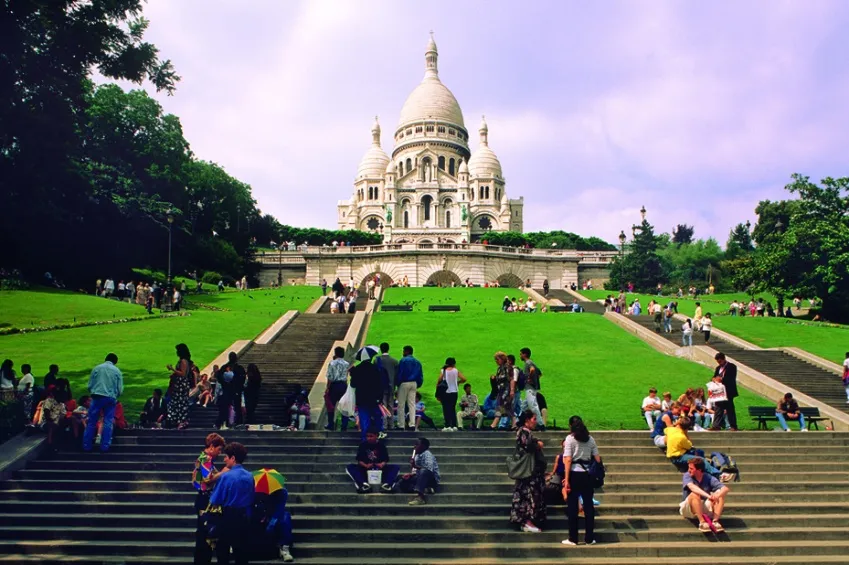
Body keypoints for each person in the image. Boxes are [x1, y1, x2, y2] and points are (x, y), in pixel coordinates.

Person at [209, 442, 254, 565]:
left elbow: (215, 499)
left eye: (226, 457)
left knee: (223, 550)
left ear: (233, 458)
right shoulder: (250, 476)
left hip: (228, 516)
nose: (224, 459)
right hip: (244, 516)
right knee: (242, 551)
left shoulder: (226, 476)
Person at [561, 419, 601, 546]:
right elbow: (597, 458)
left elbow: (567, 460)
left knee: (573, 507)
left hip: (574, 474)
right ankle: (589, 538)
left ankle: (573, 538)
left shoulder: (570, 439)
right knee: (589, 506)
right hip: (587, 475)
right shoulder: (590, 439)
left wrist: (566, 480)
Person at [509, 410, 546, 533]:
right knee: (527, 496)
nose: (535, 422)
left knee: (531, 495)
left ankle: (529, 521)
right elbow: (528, 446)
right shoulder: (523, 431)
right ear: (527, 420)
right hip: (528, 472)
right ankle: (526, 521)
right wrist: (538, 444)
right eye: (534, 419)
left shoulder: (525, 432)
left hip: (531, 472)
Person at [193, 433, 226, 565]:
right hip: (204, 499)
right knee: (205, 533)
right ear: (212, 446)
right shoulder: (205, 458)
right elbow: (207, 479)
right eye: (219, 449)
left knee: (204, 532)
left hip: (202, 498)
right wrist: (223, 472)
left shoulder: (203, 459)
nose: (220, 453)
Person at [82, 353, 123, 453]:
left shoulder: (97, 368)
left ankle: (87, 445)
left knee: (91, 421)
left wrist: (93, 391)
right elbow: (120, 389)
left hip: (97, 396)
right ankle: (105, 446)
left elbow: (90, 385)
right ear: (115, 362)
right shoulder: (117, 371)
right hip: (110, 397)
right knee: (108, 422)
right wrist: (115, 395)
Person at [680, 457, 730, 533]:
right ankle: (702, 522)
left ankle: (715, 521)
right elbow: (692, 487)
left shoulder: (708, 477)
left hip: (703, 506)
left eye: (691, 468)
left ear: (699, 470)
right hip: (688, 508)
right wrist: (709, 496)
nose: (688, 470)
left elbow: (725, 488)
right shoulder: (687, 475)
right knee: (695, 494)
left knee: (719, 494)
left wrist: (717, 496)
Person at [345, 428, 400, 493]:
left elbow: (385, 459)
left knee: (395, 467)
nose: (369, 438)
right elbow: (359, 460)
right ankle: (363, 485)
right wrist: (365, 465)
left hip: (379, 470)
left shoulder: (381, 446)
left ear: (376, 436)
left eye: (371, 436)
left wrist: (381, 464)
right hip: (365, 469)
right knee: (350, 467)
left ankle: (387, 485)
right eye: (367, 436)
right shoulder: (363, 445)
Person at [350, 353, 384, 441]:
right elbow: (380, 384)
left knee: (364, 420)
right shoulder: (375, 368)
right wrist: (380, 398)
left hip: (361, 398)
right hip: (374, 398)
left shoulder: (357, 369)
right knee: (377, 417)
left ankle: (365, 439)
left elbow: (353, 384)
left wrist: (352, 374)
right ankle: (378, 436)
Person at [166, 344, 194, 430]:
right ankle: (177, 420)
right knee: (177, 402)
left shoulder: (183, 361)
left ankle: (181, 421)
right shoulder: (183, 361)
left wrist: (172, 369)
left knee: (180, 402)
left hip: (181, 384)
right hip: (179, 384)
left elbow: (183, 373)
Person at [406, 437, 440, 505]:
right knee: (404, 480)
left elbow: (428, 469)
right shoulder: (417, 455)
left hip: (431, 479)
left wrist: (415, 466)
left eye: (417, 444)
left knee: (423, 471)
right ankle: (426, 489)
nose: (414, 446)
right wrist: (411, 474)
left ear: (423, 446)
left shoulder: (427, 454)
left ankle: (420, 498)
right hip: (421, 477)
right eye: (415, 444)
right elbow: (417, 471)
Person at [396, 345, 423, 431]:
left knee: (401, 404)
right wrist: (418, 384)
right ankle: (412, 424)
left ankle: (401, 424)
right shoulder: (417, 362)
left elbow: (400, 373)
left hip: (404, 382)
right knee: (412, 404)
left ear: (407, 351)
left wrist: (397, 383)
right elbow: (420, 375)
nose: (403, 352)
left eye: (404, 351)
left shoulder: (403, 361)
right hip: (414, 383)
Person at [324, 347, 350, 431]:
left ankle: (331, 424)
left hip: (334, 386)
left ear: (336, 353)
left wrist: (327, 388)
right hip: (343, 385)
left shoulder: (332, 363)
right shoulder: (346, 363)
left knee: (331, 405)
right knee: (344, 406)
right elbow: (346, 376)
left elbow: (330, 377)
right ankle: (344, 425)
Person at [437, 357, 466, 431]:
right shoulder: (456, 371)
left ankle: (447, 425)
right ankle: (453, 425)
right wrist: (458, 382)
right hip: (454, 392)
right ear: (454, 363)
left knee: (445, 409)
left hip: (445, 392)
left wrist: (438, 393)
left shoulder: (443, 371)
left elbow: (439, 381)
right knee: (452, 408)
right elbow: (464, 379)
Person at [375, 343, 399, 430]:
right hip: (391, 386)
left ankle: (384, 424)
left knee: (383, 405)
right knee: (390, 405)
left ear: (381, 349)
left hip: (381, 386)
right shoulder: (394, 361)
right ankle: (391, 424)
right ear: (388, 349)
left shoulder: (377, 360)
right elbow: (396, 375)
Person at [520, 348, 544, 430]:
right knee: (523, 406)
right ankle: (519, 422)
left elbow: (532, 370)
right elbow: (540, 374)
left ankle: (541, 424)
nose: (520, 356)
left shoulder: (528, 362)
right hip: (532, 388)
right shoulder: (532, 362)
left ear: (525, 354)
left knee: (533, 406)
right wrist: (535, 380)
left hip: (529, 388)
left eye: (521, 354)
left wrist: (530, 379)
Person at [713, 352, 738, 431]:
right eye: (718, 362)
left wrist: (721, 380)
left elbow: (731, 378)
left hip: (728, 391)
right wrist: (714, 379)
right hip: (719, 392)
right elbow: (714, 377)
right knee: (718, 408)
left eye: (720, 361)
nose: (719, 363)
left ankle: (733, 426)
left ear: (723, 359)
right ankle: (716, 425)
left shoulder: (731, 366)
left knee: (730, 409)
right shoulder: (718, 368)